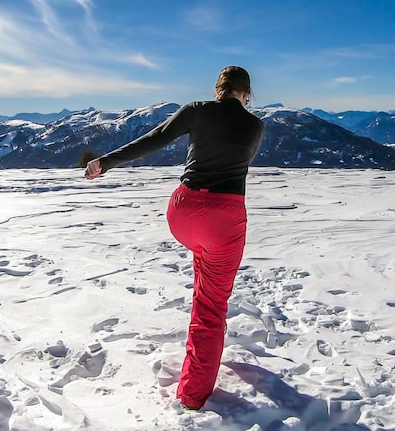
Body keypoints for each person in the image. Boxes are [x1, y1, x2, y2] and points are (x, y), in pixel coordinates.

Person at [84, 66, 264, 410]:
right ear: (246, 94)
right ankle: (193, 396)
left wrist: (104, 163)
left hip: (183, 212)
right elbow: (241, 159)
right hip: (223, 219)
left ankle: (201, 356)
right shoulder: (255, 125)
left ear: (218, 90)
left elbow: (152, 140)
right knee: (211, 307)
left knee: (204, 266)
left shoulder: (195, 110)